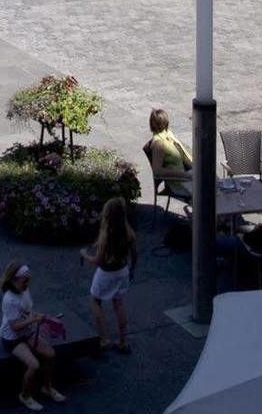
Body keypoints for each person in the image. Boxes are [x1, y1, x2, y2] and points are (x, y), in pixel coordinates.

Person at [0, 261, 65, 412]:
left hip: (26, 331)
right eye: (25, 280)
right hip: (12, 338)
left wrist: (37, 317)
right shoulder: (9, 300)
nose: (28, 283)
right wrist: (33, 319)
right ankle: (25, 395)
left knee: (50, 354)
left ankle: (47, 387)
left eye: (28, 280)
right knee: (33, 365)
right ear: (15, 280)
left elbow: (27, 311)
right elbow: (14, 326)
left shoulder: (24, 290)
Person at [81, 196, 137, 352]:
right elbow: (135, 254)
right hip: (123, 271)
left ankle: (105, 339)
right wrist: (132, 269)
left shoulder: (106, 235)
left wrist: (84, 255)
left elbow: (98, 260)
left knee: (95, 301)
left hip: (106, 273)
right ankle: (123, 341)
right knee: (118, 304)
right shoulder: (129, 232)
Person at [147, 107, 192, 203]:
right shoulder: (158, 144)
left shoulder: (168, 134)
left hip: (188, 175)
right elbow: (157, 171)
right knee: (210, 189)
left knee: (213, 180)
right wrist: (184, 175)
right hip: (180, 182)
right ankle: (208, 215)